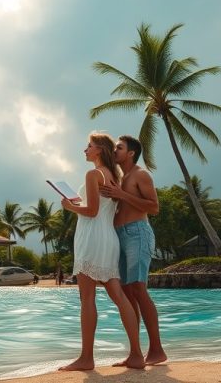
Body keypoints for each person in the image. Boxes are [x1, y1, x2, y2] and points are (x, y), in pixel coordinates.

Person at [58, 132, 145, 371]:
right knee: (119, 297)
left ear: (99, 150)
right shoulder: (113, 175)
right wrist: (80, 206)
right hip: (108, 239)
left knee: (87, 299)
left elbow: (92, 211)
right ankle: (136, 354)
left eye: (89, 146)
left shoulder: (93, 173)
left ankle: (86, 358)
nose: (85, 149)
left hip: (92, 239)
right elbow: (102, 209)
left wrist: (70, 207)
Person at [100, 135, 167, 366]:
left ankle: (157, 350)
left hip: (138, 233)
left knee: (138, 288)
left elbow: (154, 207)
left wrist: (121, 195)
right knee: (127, 294)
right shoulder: (120, 177)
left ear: (130, 153)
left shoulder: (141, 174)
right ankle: (135, 353)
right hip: (118, 236)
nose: (115, 150)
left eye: (119, 147)